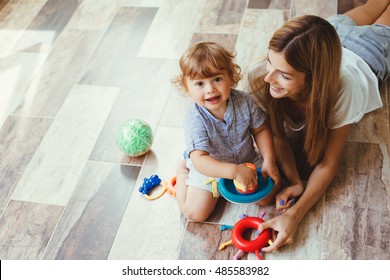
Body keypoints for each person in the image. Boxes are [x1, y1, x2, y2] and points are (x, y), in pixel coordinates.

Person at [246, 0, 390, 252]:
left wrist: (295, 215)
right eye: (271, 62)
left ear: (313, 81)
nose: (269, 78)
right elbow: (276, 136)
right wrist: (294, 180)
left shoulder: (342, 93)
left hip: (369, 52)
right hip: (332, 32)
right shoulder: (262, 74)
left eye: (284, 75)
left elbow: (328, 163)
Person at [172, 42, 281, 222]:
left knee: (269, 196)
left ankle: (253, 174)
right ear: (187, 88)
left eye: (217, 79)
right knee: (195, 214)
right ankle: (183, 171)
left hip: (247, 161)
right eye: (199, 83)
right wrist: (233, 172)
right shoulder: (195, 118)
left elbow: (261, 130)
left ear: (231, 77)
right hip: (208, 170)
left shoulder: (244, 101)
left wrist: (269, 160)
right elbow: (200, 159)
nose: (210, 89)